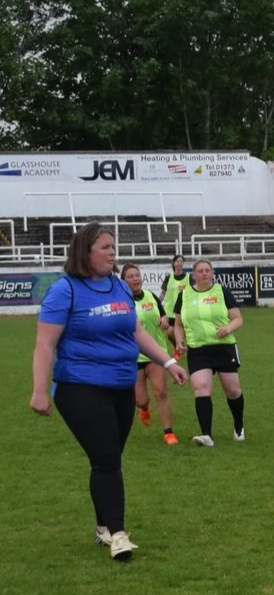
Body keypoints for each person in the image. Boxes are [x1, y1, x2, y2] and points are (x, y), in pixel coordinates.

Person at [29, 223, 188, 561]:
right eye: (105, 247)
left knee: (107, 460)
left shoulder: (117, 286)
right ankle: (118, 534)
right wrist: (39, 391)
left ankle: (102, 526)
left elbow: (136, 332)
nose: (113, 252)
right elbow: (45, 344)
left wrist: (170, 361)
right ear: (85, 251)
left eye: (114, 246)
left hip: (120, 387)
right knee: (107, 460)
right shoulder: (65, 290)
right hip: (79, 388)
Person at [173, 259, 246, 447]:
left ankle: (239, 425)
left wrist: (228, 328)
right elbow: (178, 324)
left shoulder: (222, 291)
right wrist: (179, 340)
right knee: (201, 387)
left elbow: (238, 319)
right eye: (200, 271)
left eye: (208, 270)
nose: (204, 273)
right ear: (194, 275)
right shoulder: (185, 295)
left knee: (232, 390)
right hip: (198, 350)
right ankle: (207, 435)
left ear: (212, 273)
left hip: (223, 347)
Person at [122, 263, 179, 444]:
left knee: (161, 393)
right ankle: (144, 408)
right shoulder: (121, 301)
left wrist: (164, 320)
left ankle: (168, 432)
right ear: (123, 281)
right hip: (133, 356)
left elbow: (164, 318)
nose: (135, 279)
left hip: (156, 353)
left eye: (137, 275)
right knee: (140, 400)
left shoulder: (151, 296)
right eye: (130, 276)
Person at [160, 254, 191, 357]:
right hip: (169, 311)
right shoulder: (168, 278)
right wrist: (158, 304)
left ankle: (181, 349)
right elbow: (163, 293)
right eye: (177, 261)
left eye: (181, 261)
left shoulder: (188, 278)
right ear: (173, 264)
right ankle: (178, 346)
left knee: (182, 332)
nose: (179, 263)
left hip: (182, 311)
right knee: (169, 332)